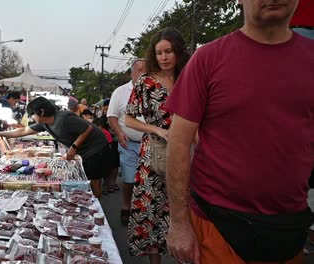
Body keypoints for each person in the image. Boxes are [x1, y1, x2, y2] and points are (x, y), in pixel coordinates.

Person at [165, 1, 314, 263]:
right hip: (217, 225)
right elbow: (178, 143)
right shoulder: (208, 58)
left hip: (289, 226)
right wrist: (179, 223)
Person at [124, 27, 190, 264]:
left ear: (178, 52)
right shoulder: (145, 82)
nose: (163, 57)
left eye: (169, 51)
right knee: (151, 210)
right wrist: (157, 129)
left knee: (186, 205)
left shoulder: (190, 76)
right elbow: (128, 118)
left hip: (187, 151)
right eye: (159, 52)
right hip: (152, 153)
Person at [0, 97, 109, 198]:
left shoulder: (64, 118)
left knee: (94, 180)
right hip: (84, 151)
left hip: (96, 148)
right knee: (87, 178)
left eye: (32, 114)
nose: (32, 118)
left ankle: (95, 206)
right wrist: (0, 134)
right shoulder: (44, 123)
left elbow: (89, 128)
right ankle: (89, 199)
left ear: (41, 111)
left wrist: (73, 147)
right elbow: (24, 131)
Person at [107, 58, 146, 225]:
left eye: (147, 70)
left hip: (151, 144)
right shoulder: (120, 92)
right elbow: (112, 117)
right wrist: (119, 133)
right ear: (132, 73)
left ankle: (144, 212)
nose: (143, 73)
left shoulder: (155, 90)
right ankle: (126, 207)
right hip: (128, 143)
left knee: (147, 181)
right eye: (139, 70)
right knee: (129, 179)